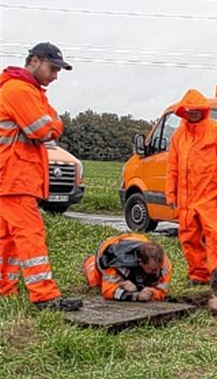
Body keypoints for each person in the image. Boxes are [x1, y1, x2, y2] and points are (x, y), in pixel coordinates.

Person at [0, 42, 82, 311]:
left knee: (7, 238)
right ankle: (44, 296)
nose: (55, 75)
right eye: (52, 68)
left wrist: (51, 122)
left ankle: (5, 289)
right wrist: (52, 124)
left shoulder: (27, 90)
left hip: (11, 176)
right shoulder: (20, 90)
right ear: (34, 61)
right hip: (15, 177)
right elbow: (45, 129)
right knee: (30, 235)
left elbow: (50, 122)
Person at [165, 88, 217, 285]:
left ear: (204, 110)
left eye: (197, 110)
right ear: (183, 111)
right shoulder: (179, 136)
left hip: (213, 197)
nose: (194, 113)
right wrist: (171, 194)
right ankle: (198, 275)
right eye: (190, 110)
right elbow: (172, 167)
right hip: (187, 199)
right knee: (189, 238)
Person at [82, 233, 172, 302]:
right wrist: (134, 295)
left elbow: (162, 292)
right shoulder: (114, 262)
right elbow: (107, 291)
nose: (157, 272)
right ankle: (89, 261)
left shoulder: (164, 264)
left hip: (137, 240)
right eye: (153, 270)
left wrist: (145, 291)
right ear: (140, 263)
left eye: (159, 268)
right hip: (110, 249)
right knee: (95, 283)